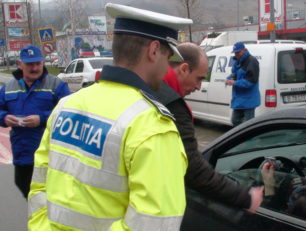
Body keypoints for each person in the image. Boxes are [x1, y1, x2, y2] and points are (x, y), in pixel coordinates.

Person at [28, 3, 193, 231]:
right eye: (167, 57)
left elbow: (38, 186)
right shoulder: (151, 126)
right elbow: (154, 224)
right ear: (154, 50)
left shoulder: (66, 106)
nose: (167, 70)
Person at [154, 43, 263, 213]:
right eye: (199, 78)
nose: (199, 87)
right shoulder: (172, 106)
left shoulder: (151, 86)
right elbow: (193, 169)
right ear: (183, 69)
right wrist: (245, 197)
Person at [0, 45, 70, 199]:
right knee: (26, 188)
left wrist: (42, 119)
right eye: (30, 64)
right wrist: (4, 117)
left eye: (38, 63)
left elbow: (69, 113)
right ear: (20, 64)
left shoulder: (56, 85)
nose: (35, 68)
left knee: (52, 196)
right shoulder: (8, 87)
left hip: (50, 155)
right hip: (23, 153)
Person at [225, 42, 260, 126]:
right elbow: (235, 74)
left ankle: (249, 136)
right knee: (235, 120)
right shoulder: (237, 61)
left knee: (249, 125)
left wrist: (234, 82)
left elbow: (250, 81)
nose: (236, 54)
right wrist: (229, 78)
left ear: (244, 50)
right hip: (239, 99)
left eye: (238, 52)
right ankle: (244, 134)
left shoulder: (252, 61)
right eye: (235, 52)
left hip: (249, 100)